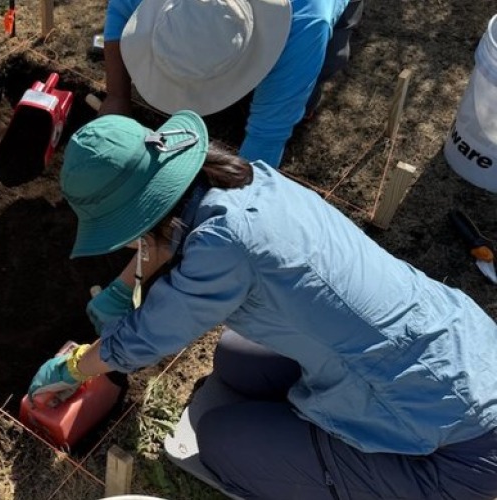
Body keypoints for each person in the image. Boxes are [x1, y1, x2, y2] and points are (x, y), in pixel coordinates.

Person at [27, 111, 497, 499]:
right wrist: (119, 289)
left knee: (220, 440)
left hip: (459, 449)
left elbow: (145, 339)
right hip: (458, 351)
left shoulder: (222, 247)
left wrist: (72, 368)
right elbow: (169, 238)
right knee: (235, 357)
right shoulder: (245, 183)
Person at [99, 0, 364, 168]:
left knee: (322, 66)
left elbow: (266, 137)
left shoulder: (305, 24)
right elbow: (121, 7)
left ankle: (305, 100)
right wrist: (116, 97)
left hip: (311, 21)